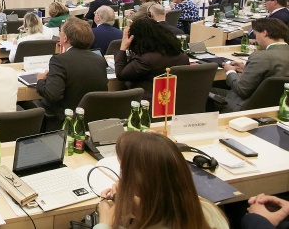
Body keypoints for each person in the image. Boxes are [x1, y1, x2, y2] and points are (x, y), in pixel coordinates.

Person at [95, 131, 229, 229]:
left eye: (124, 171)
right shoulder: (209, 211)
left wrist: (105, 223)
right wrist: (138, 205)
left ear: (139, 181)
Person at [34, 17, 108, 122]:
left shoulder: (59, 60)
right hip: (93, 118)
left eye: (60, 32)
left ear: (65, 38)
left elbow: (53, 95)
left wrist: (40, 81)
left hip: (67, 119)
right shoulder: (100, 60)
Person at [215, 18, 289, 112]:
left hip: (243, 107)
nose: (255, 39)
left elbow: (242, 91)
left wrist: (230, 71)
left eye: (256, 35)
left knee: (203, 91)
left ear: (264, 33)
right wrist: (246, 69)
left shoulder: (261, 57)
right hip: (275, 107)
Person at [115, 17, 188, 99]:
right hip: (175, 99)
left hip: (149, 100)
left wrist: (123, 47)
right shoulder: (182, 55)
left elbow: (121, 74)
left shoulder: (145, 60)